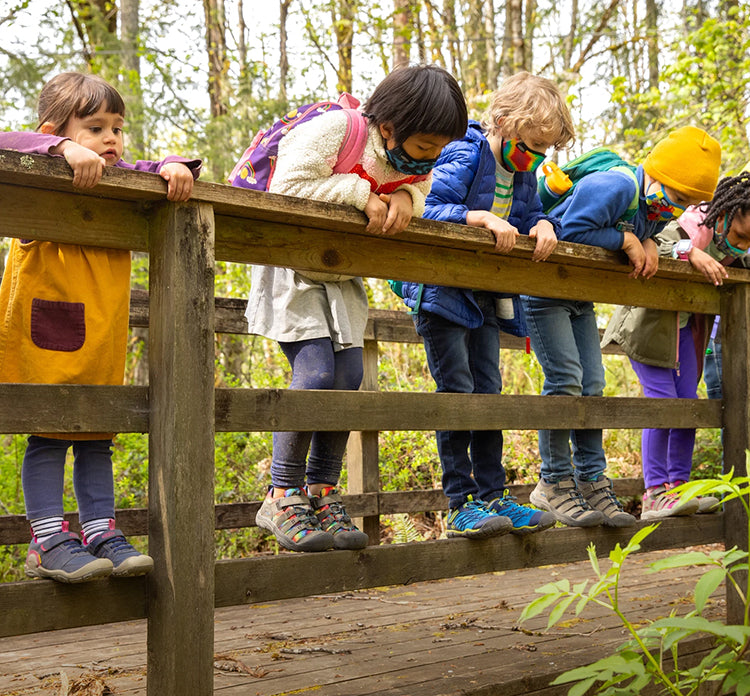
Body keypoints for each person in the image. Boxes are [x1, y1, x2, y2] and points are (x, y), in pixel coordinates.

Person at [247, 64, 468, 552]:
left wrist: (410, 194)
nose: (432, 157)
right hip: (292, 267)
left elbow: (418, 188)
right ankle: (281, 494)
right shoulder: (336, 131)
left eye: (439, 149)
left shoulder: (414, 158)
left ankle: (321, 493)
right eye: (426, 147)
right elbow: (288, 185)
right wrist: (360, 194)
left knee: (348, 377)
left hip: (341, 275)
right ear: (389, 128)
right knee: (316, 373)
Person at [0, 72, 201, 583]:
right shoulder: (37, 184)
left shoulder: (119, 185)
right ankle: (46, 540)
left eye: (116, 127)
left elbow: (150, 167)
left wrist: (172, 167)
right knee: (48, 436)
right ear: (55, 131)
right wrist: (62, 149)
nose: (111, 138)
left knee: (96, 437)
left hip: (101, 339)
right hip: (46, 336)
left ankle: (99, 531)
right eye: (95, 127)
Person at [394, 72, 572, 538]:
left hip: (485, 298)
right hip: (442, 295)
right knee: (457, 394)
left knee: (488, 394)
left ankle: (495, 496)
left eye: (542, 151)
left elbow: (529, 214)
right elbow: (425, 206)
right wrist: (475, 216)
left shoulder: (525, 172)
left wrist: (545, 225)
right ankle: (461, 502)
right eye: (529, 145)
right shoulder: (463, 152)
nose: (534, 157)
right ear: (502, 124)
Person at [524, 126, 722, 528]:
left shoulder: (652, 209)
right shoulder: (616, 186)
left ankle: (592, 480)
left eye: (689, 202)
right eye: (678, 197)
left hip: (579, 297)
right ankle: (553, 482)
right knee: (565, 380)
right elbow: (567, 230)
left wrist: (646, 239)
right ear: (657, 174)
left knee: (592, 384)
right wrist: (628, 240)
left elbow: (656, 234)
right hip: (543, 289)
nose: (676, 208)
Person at [603, 168, 750, 520]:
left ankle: (679, 488)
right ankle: (655, 491)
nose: (742, 245)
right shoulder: (693, 220)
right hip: (649, 325)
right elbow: (660, 241)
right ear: (725, 214)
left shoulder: (736, 245)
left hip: (686, 328)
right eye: (741, 236)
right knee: (662, 404)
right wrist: (692, 253)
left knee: (689, 406)